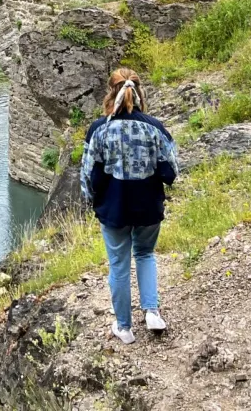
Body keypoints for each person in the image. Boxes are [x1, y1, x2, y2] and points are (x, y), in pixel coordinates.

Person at [80, 67, 178, 344]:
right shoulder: (155, 127)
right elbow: (172, 169)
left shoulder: (99, 129)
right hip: (148, 205)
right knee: (145, 254)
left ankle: (124, 328)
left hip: (113, 208)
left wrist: (92, 201)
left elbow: (87, 173)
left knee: (118, 265)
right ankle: (152, 312)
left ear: (110, 93)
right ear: (139, 91)